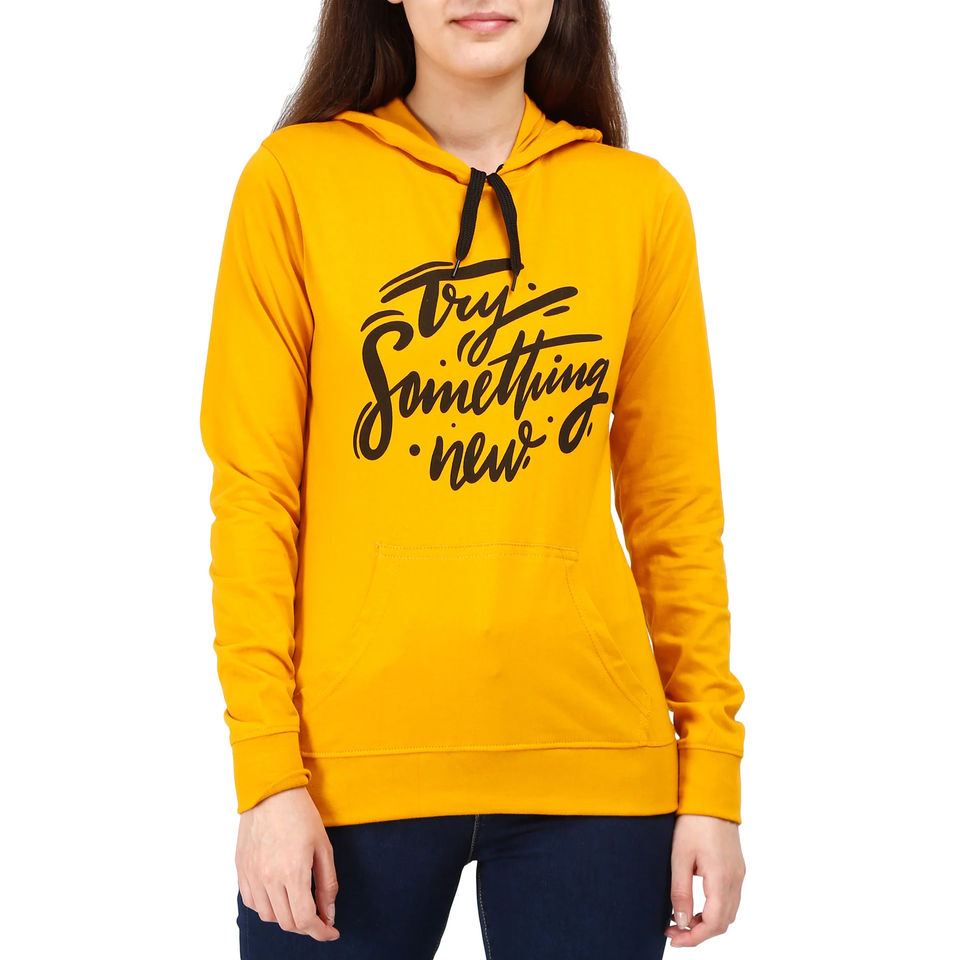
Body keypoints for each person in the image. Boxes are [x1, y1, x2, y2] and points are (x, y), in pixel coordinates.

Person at [199, 1, 747, 957]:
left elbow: (677, 515)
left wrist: (711, 776)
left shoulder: (639, 203)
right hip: (344, 777)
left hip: (596, 772)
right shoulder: (293, 183)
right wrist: (267, 775)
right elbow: (254, 499)